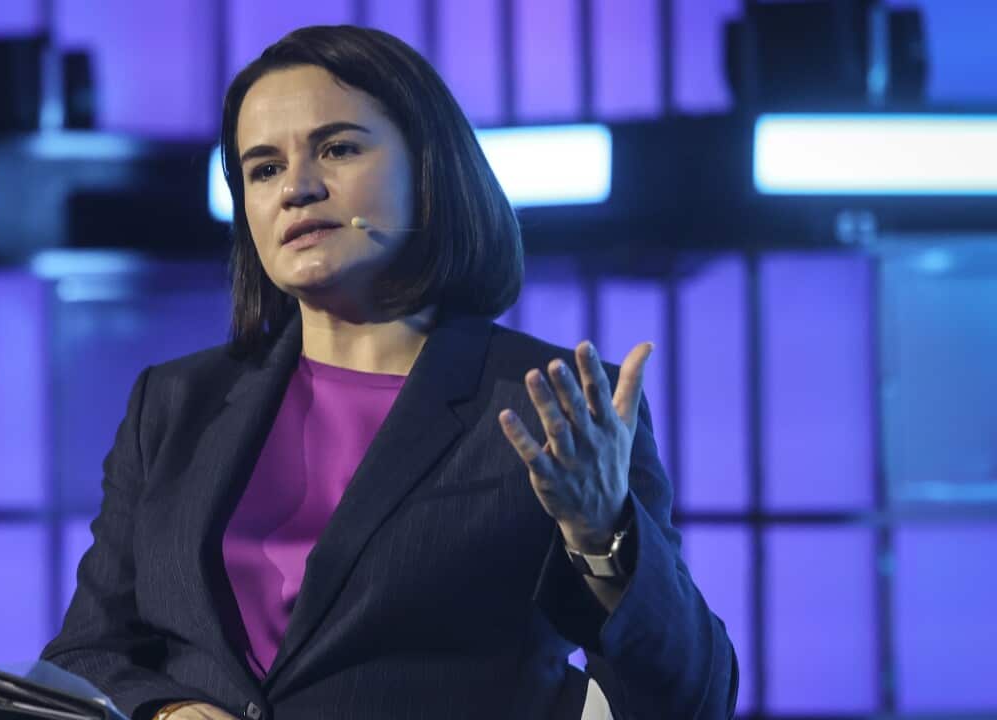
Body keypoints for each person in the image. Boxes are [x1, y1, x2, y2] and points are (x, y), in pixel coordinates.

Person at [41, 25, 738, 720]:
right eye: (263, 169)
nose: (298, 188)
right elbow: (83, 658)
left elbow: (691, 701)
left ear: (429, 169)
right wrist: (163, 713)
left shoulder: (553, 406)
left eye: (338, 148)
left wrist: (603, 537)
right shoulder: (172, 405)